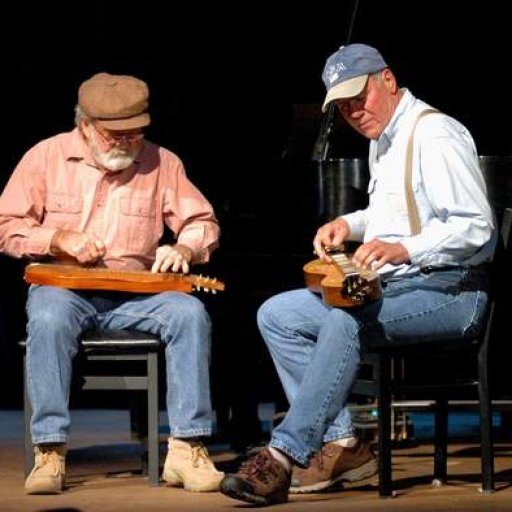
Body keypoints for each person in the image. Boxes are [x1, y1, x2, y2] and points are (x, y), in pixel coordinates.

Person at [219, 43, 496, 506]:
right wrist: (351, 223)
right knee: (277, 315)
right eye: (343, 106)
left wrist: (402, 247)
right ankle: (343, 444)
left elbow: (474, 225)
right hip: (405, 284)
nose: (353, 111)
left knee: (346, 317)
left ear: (387, 80)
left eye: (358, 97)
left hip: (454, 290)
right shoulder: (383, 139)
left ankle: (284, 456)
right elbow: (390, 211)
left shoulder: (436, 135)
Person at [0, 72, 225, 495]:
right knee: (47, 315)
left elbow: (202, 222)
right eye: (114, 134)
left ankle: (186, 448)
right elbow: (6, 226)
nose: (127, 142)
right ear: (84, 125)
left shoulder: (163, 163)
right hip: (65, 291)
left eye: (136, 133)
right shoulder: (44, 158)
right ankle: (50, 450)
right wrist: (57, 238)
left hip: (138, 293)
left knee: (190, 312)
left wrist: (186, 250)